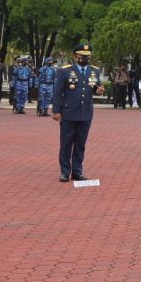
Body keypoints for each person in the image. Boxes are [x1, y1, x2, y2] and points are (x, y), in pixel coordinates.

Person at [53, 43, 105, 182]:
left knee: (80, 144)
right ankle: (65, 172)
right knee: (66, 143)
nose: (85, 58)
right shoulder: (65, 71)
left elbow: (95, 87)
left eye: (87, 56)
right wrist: (56, 111)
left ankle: (77, 171)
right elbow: (58, 92)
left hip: (85, 112)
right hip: (69, 112)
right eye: (82, 56)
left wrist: (98, 90)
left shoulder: (94, 71)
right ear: (75, 56)